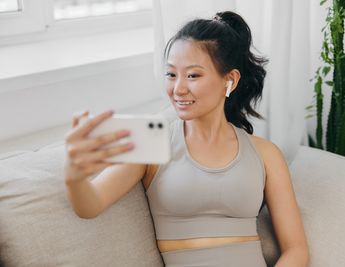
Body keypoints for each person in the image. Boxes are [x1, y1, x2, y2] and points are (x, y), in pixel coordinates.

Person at [64, 11, 309, 267]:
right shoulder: (153, 139)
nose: (178, 88)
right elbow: (89, 206)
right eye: (171, 74)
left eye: (193, 75)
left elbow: (296, 249)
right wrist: (74, 177)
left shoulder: (266, 154)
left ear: (230, 80)